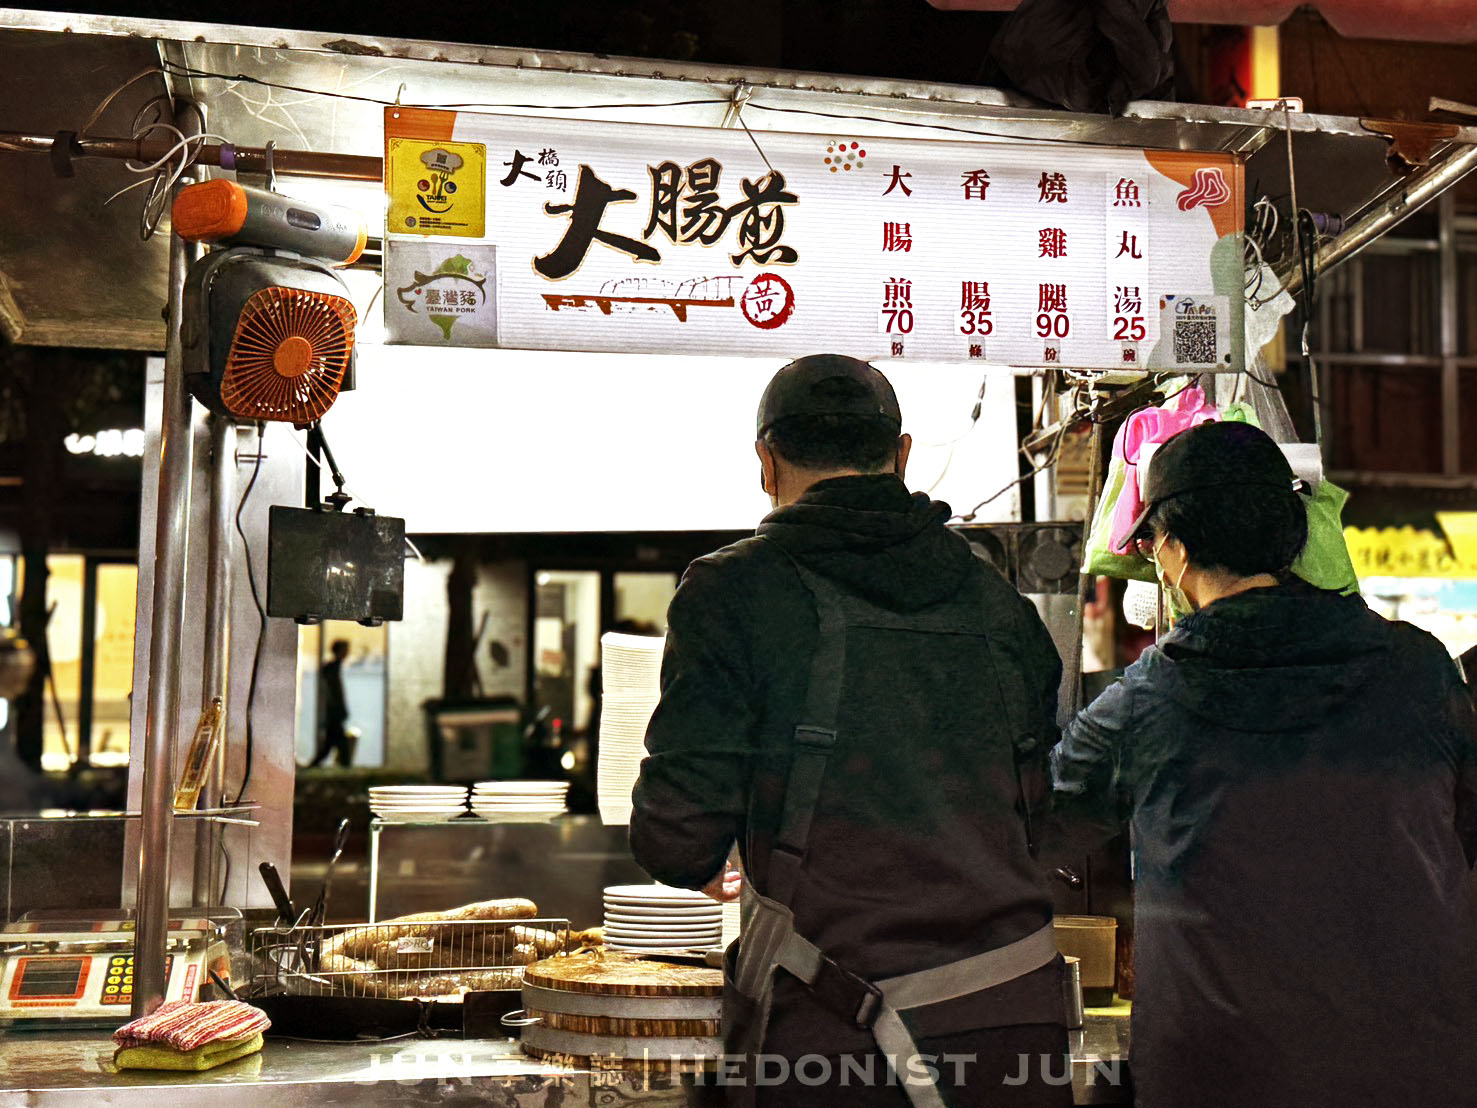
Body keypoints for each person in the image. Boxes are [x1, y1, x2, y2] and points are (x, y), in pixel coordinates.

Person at [630, 354, 1073, 1107]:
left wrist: (716, 848)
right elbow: (1036, 811)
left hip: (841, 1040)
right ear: (899, 458)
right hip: (1013, 1023)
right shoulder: (1000, 604)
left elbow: (677, 838)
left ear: (765, 464)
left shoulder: (732, 591)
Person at [1049, 420, 1477, 1108]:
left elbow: (1049, 823)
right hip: (1411, 1061)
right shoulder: (1418, 668)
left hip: (1223, 1070)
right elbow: (1463, 829)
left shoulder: (1146, 700)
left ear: (1175, 552)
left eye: (1154, 548)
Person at [311, 638, 353, 767]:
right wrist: (339, 709)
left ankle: (314, 766)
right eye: (345, 649)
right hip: (334, 712)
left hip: (333, 712)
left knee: (330, 745)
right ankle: (345, 768)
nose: (347, 652)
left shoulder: (333, 668)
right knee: (339, 745)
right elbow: (333, 693)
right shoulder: (332, 668)